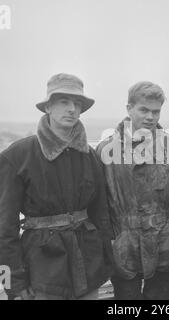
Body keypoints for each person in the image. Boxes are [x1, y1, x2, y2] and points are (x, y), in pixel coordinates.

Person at [0, 73, 113, 300]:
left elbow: (101, 216)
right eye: (64, 102)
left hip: (88, 266)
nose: (72, 109)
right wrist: (13, 284)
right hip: (42, 271)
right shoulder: (17, 155)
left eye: (77, 104)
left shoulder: (90, 156)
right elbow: (4, 227)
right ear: (48, 107)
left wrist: (106, 263)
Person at [96, 81, 169, 300]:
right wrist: (111, 239)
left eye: (156, 111)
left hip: (164, 239)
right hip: (124, 244)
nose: (150, 116)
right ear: (129, 108)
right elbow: (100, 202)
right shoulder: (106, 150)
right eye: (144, 110)